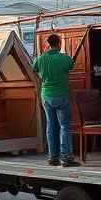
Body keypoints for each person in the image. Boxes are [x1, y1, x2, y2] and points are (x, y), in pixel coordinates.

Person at [32, 34, 79, 167]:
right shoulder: (64, 58)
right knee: (64, 126)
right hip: (61, 95)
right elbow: (71, 66)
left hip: (46, 96)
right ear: (59, 44)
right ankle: (66, 158)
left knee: (50, 125)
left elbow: (34, 68)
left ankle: (52, 157)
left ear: (47, 44)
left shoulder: (40, 59)